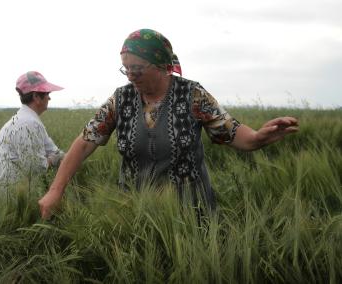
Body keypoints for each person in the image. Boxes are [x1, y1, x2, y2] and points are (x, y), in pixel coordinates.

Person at [38, 29, 299, 219]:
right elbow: (84, 143)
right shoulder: (121, 99)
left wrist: (258, 138)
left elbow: (232, 132)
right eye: (125, 68)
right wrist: (55, 191)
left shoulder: (193, 95)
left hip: (191, 215)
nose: (130, 75)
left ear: (163, 66)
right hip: (135, 213)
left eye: (137, 68)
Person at [0, 71, 66, 206]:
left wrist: (66, 158)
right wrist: (53, 160)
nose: (49, 99)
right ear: (36, 97)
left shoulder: (27, 120)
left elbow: (52, 149)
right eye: (47, 94)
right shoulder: (28, 123)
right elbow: (35, 167)